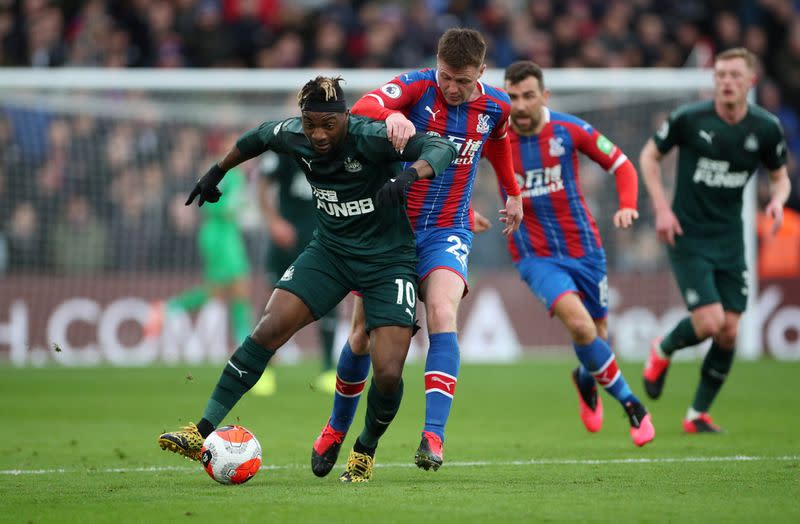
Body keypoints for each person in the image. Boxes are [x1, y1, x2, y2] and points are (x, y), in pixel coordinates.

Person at [157, 76, 458, 484]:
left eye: (327, 125)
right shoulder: (293, 134)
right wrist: (216, 171)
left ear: (345, 118)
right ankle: (201, 430)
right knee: (268, 328)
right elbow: (257, 137)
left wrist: (409, 176)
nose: (317, 134)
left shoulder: (371, 137)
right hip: (330, 252)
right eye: (310, 123)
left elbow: (443, 147)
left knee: (387, 371)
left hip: (388, 262)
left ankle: (364, 450)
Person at [310, 28, 524, 477]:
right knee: (362, 334)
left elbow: (500, 142)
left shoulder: (497, 106)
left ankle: (433, 436)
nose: (451, 88)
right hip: (392, 233)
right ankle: (335, 429)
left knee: (443, 313)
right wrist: (391, 116)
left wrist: (512, 193)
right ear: (437, 65)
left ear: (482, 73)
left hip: (448, 228)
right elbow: (365, 106)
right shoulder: (417, 86)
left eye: (462, 81)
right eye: (446, 76)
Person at [490, 60, 655, 446]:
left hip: (586, 249)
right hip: (534, 255)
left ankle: (585, 380)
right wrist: (466, 212)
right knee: (581, 328)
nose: (520, 105)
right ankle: (633, 405)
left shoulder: (570, 129)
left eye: (528, 96)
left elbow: (622, 165)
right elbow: (457, 173)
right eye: (512, 97)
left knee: (596, 337)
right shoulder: (494, 138)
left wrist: (628, 203)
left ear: (544, 96)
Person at [640, 48, 790, 433]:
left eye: (735, 76)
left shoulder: (766, 128)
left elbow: (779, 176)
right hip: (687, 234)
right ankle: (663, 348)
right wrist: (661, 207)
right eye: (721, 74)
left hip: (730, 239)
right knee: (709, 321)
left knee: (729, 330)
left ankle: (697, 415)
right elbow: (649, 156)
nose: (726, 81)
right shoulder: (690, 119)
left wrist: (777, 201)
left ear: (750, 82)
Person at [144, 163, 254, 355]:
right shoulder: (230, 175)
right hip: (220, 237)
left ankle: (164, 310)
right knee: (235, 287)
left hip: (225, 234)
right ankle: (244, 343)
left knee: (220, 292)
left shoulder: (236, 176)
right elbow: (215, 203)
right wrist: (235, 206)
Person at [255, 151, 340, 396]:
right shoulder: (286, 147)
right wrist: (274, 223)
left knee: (329, 298)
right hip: (287, 239)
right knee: (275, 301)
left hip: (322, 238)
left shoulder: (335, 149)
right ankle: (264, 369)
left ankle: (327, 370)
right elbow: (262, 185)